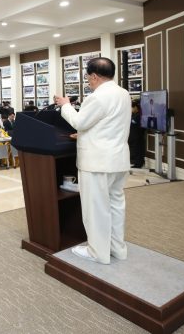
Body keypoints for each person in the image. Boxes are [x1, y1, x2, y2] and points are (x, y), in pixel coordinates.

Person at [54, 57, 131, 265]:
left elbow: (80, 122)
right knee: (115, 205)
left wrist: (66, 105)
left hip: (97, 163)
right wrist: (87, 135)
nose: (88, 80)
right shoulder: (124, 94)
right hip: (118, 160)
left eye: (88, 77)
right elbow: (109, 124)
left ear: (94, 76)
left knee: (95, 209)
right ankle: (117, 249)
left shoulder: (97, 97)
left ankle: (98, 252)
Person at [128, 100, 145, 168]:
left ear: (135, 107)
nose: (131, 110)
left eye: (131, 108)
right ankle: (135, 162)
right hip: (133, 136)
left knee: (138, 150)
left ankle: (138, 163)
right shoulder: (133, 115)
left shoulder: (139, 115)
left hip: (138, 136)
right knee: (134, 149)